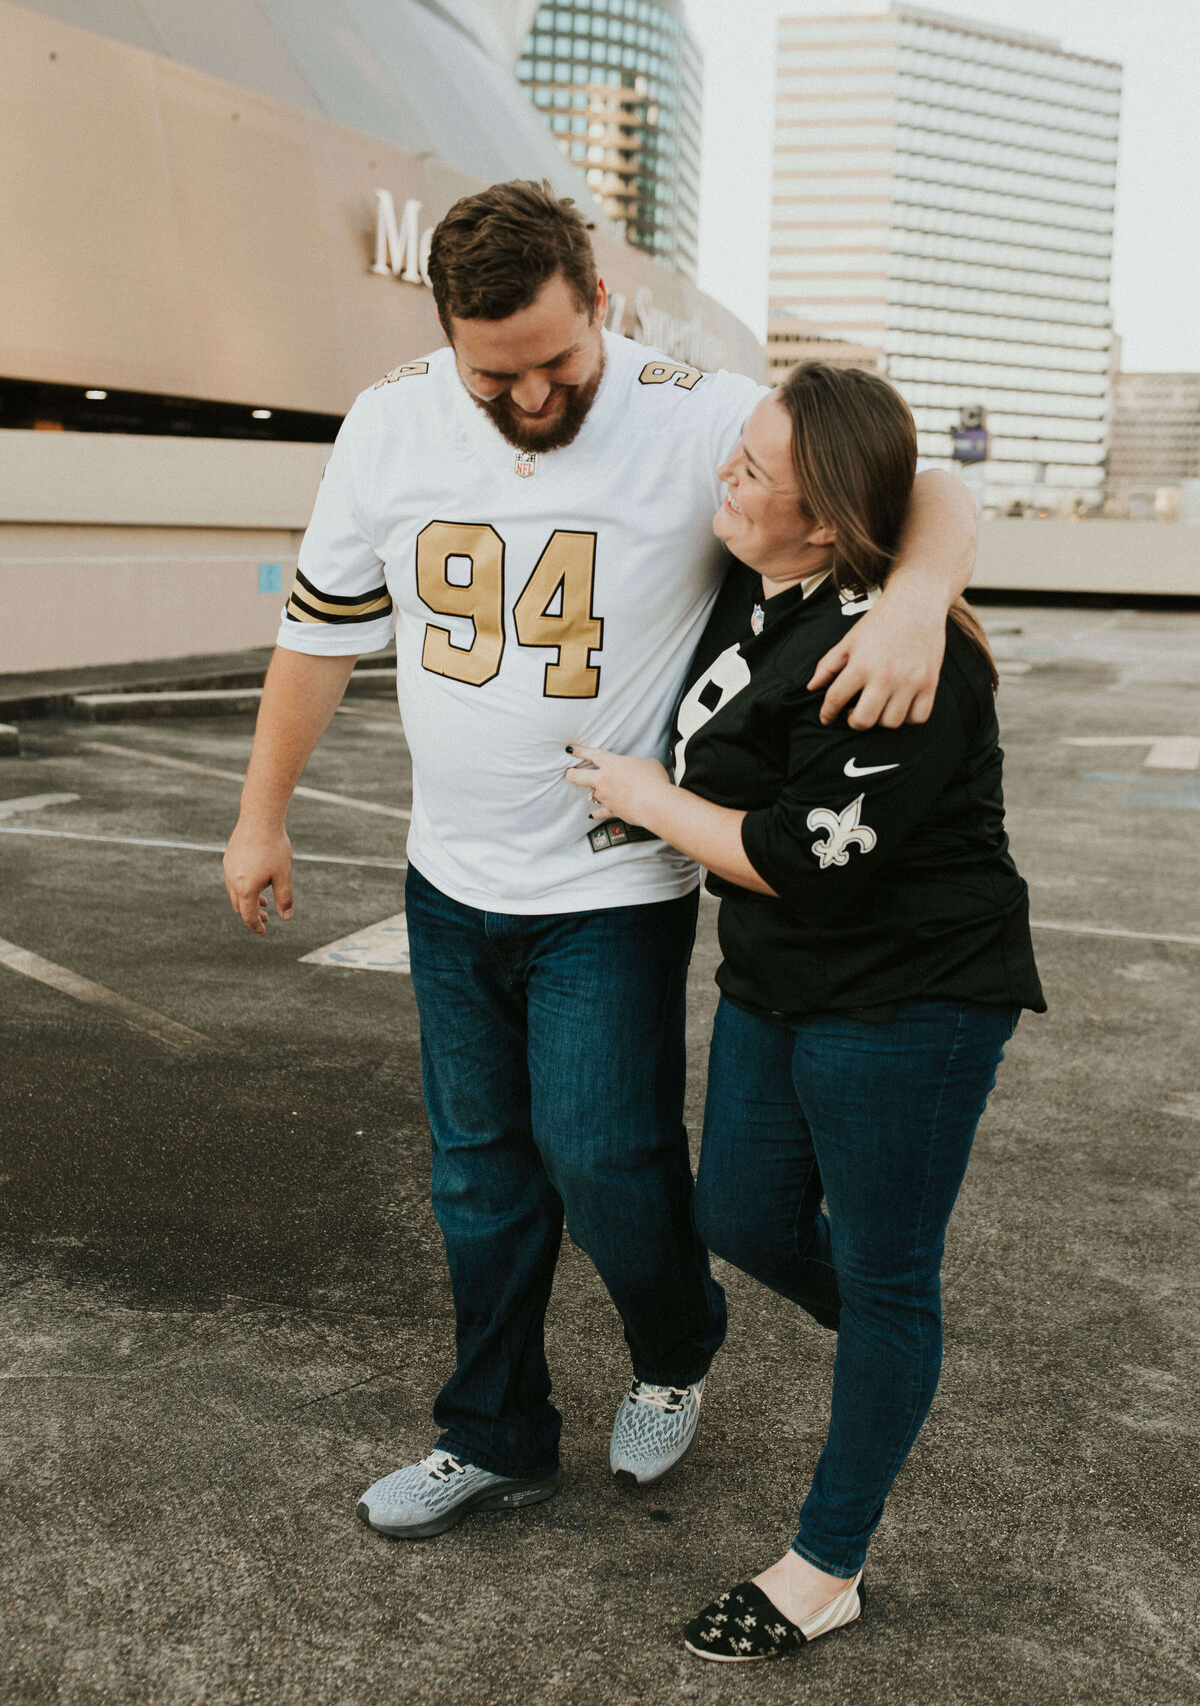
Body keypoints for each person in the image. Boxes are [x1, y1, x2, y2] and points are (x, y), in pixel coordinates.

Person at [222, 183, 978, 1543]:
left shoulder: (696, 411)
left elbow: (914, 477)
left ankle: (678, 1338)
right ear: (446, 333)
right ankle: (494, 1430)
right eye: (491, 372)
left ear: (604, 306)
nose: (526, 400)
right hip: (448, 880)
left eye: (556, 366)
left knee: (605, 1158)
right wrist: (259, 811)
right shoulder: (390, 420)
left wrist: (919, 593)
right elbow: (319, 632)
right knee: (475, 1173)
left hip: (609, 884)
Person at [565, 362, 1044, 1661]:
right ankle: (901, 1335)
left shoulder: (892, 652)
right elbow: (936, 485)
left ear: (823, 518)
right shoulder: (755, 575)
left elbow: (798, 851)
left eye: (751, 471)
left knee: (885, 1277)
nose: (723, 476)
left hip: (909, 991)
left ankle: (826, 1565)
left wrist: (648, 796)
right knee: (741, 1214)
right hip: (784, 973)